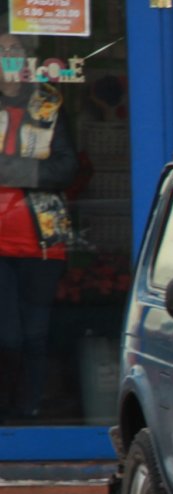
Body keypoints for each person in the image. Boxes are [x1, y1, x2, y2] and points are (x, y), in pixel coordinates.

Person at [0, 30, 78, 421]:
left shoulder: (49, 103)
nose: (7, 57)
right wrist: (32, 170)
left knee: (35, 336)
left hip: (42, 240)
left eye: (13, 49)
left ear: (27, 58)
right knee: (8, 336)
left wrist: (9, 169)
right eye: (0, 51)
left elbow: (66, 167)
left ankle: (28, 411)